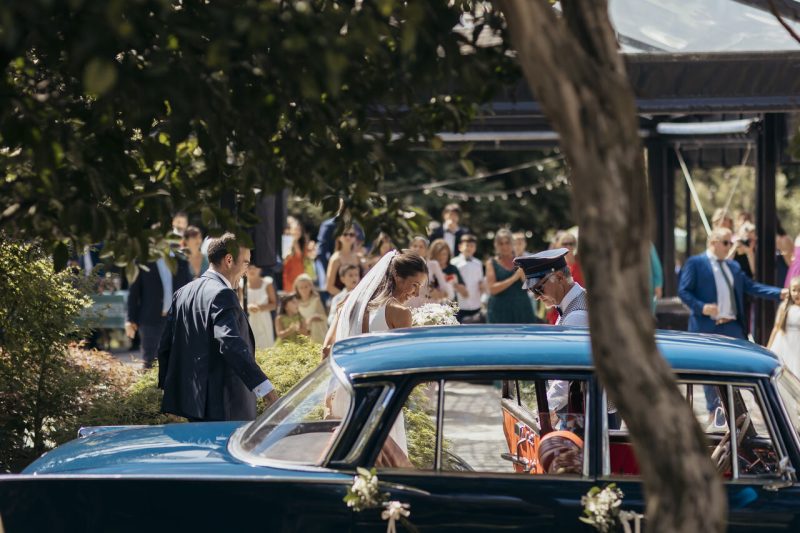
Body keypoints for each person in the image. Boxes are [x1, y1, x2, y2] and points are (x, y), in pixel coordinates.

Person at [323, 250, 428, 467]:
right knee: (384, 467)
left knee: (344, 463)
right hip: (380, 399)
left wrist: (328, 399)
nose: (416, 293)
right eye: (414, 285)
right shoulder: (400, 312)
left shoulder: (349, 304)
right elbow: (406, 365)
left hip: (345, 393)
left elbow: (326, 350)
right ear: (397, 277)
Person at [157, 233, 278, 421]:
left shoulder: (182, 293)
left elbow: (165, 347)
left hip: (192, 406)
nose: (246, 270)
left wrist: (171, 397)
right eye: (246, 263)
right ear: (229, 260)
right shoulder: (223, 294)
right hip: (226, 406)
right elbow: (230, 344)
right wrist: (266, 390)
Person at [679, 227, 786, 340]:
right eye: (726, 243)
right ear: (713, 242)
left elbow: (751, 286)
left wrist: (779, 293)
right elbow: (683, 291)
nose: (729, 247)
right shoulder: (695, 263)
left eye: (731, 243)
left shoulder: (733, 266)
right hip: (705, 328)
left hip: (733, 328)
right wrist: (702, 307)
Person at [515, 248, 588, 327]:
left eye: (539, 288)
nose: (536, 297)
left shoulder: (575, 317)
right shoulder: (573, 304)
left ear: (559, 277)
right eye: (532, 290)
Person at [126, 258, 176, 369]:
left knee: (174, 361)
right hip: (150, 319)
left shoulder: (178, 259)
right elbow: (133, 292)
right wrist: (130, 319)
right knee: (151, 361)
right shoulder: (141, 260)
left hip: (175, 319)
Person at [485, 229, 536, 324]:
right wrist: (514, 278)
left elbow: (531, 288)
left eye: (507, 243)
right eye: (501, 243)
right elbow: (492, 289)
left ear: (512, 243)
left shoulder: (521, 261)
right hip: (499, 311)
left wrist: (524, 277)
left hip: (522, 309)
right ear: (496, 245)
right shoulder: (491, 263)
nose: (504, 246)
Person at [769, 276, 800, 377]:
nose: (797, 293)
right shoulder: (784, 307)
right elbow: (776, 327)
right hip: (784, 341)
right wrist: (769, 347)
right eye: (794, 290)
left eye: (799, 290)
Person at [452, 234, 486, 323]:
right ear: (460, 247)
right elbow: (451, 282)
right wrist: (458, 287)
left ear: (475, 248)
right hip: (459, 305)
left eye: (472, 246)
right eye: (467, 245)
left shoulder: (478, 263)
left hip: (475, 305)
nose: (469, 248)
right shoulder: (454, 263)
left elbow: (480, 281)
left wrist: (482, 286)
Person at [244, 264, 276, 350]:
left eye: (255, 267)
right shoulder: (241, 285)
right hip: (248, 320)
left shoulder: (267, 284)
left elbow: (274, 305)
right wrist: (248, 307)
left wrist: (260, 308)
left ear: (260, 269)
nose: (252, 270)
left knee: (266, 346)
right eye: (249, 268)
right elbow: (239, 304)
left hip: (264, 320)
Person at [325, 226, 363, 297]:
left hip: (358, 298)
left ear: (355, 238)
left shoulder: (358, 257)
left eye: (351, 235)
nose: (348, 237)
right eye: (345, 234)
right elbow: (329, 287)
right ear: (339, 237)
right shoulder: (335, 259)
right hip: (341, 300)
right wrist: (346, 297)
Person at [428, 238, 466, 304]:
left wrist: (455, 284)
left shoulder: (453, 268)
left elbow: (464, 291)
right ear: (433, 255)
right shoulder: (429, 268)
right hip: (432, 304)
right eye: (438, 254)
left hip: (450, 305)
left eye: (444, 254)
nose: (441, 257)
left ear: (448, 255)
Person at [293, 273, 328, 343]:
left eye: (306, 287)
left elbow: (323, 317)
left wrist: (311, 319)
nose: (304, 290)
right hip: (304, 332)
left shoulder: (316, 299)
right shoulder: (295, 302)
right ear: (297, 289)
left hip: (318, 331)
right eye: (301, 287)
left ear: (311, 287)